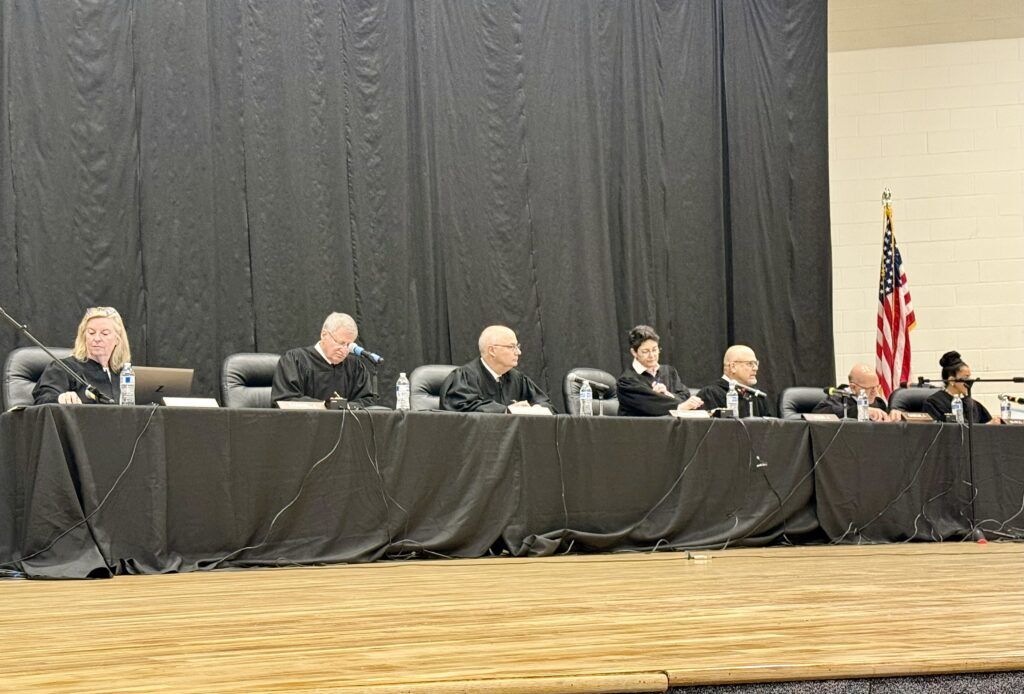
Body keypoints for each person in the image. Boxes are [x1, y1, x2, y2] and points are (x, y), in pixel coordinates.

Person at [439, 325, 552, 413]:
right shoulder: (465, 377)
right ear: (492, 351)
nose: (518, 352)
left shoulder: (518, 379)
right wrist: (507, 411)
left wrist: (535, 408)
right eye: (512, 347)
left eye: (517, 347)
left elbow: (545, 403)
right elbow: (462, 411)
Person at [271, 312, 375, 407]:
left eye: (349, 345)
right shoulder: (294, 360)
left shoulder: (355, 367)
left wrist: (343, 407)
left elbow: (366, 402)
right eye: (341, 343)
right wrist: (326, 406)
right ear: (324, 335)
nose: (344, 350)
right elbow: (286, 400)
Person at [33, 306, 130, 405]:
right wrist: (60, 398)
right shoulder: (63, 368)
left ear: (117, 339)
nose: (96, 338)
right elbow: (43, 399)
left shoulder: (124, 373)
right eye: (91, 333)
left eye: (104, 333)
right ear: (84, 336)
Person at [615, 325, 703, 417]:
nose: (652, 355)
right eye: (645, 351)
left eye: (654, 349)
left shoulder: (669, 372)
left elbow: (684, 395)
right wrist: (680, 406)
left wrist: (667, 394)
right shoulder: (626, 381)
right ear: (634, 352)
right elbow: (650, 404)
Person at [697, 345, 775, 417]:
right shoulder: (710, 394)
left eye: (756, 363)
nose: (755, 368)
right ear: (733, 367)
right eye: (750, 364)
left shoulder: (756, 396)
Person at [923, 351, 997, 424]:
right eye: (966, 377)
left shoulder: (972, 404)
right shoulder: (934, 403)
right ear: (952, 380)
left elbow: (984, 427)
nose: (969, 381)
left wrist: (992, 423)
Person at [813, 363, 900, 421]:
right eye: (870, 388)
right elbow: (817, 414)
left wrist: (894, 414)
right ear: (853, 387)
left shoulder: (878, 403)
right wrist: (861, 411)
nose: (875, 392)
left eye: (876, 387)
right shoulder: (837, 398)